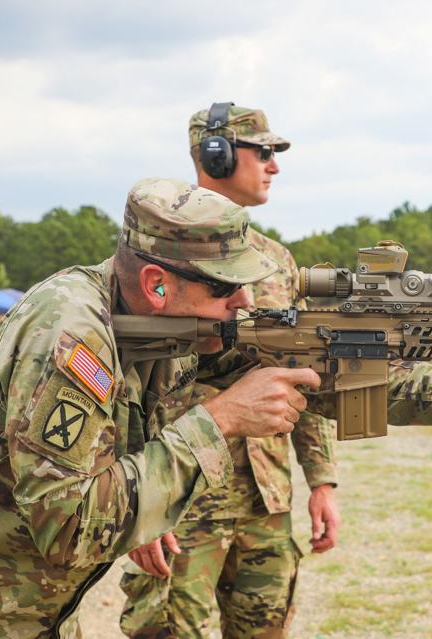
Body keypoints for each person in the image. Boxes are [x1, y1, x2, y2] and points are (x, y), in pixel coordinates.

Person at [0, 177, 322, 638]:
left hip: (16, 613)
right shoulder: (69, 328)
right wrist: (220, 420)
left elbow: (288, 367)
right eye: (223, 286)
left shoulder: (173, 327)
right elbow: (67, 526)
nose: (243, 300)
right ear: (157, 285)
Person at [120, 103, 339, 639]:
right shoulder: (159, 255)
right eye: (263, 151)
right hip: (183, 502)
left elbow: (302, 366)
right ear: (215, 156)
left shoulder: (278, 263)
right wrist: (137, 506)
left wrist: (322, 480)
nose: (274, 165)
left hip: (265, 498)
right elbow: (128, 387)